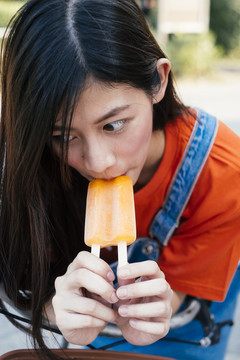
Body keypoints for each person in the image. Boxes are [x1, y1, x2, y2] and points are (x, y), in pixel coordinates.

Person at [0, 0, 239, 359]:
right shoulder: (36, 162)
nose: (98, 162)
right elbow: (27, 283)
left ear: (158, 80)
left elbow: (180, 294)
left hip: (186, 335)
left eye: (113, 124)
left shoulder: (223, 172)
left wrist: (158, 307)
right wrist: (57, 310)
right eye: (64, 136)